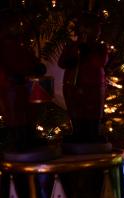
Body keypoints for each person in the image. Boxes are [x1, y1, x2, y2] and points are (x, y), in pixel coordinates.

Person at [0, 10, 47, 155]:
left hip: (25, 85)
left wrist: (37, 67)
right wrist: (10, 76)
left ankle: (29, 137)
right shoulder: (3, 47)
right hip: (11, 87)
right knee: (15, 113)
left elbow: (30, 59)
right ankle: (18, 140)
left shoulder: (21, 46)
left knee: (28, 111)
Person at [58, 13, 108, 145]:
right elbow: (62, 62)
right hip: (73, 85)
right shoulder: (71, 46)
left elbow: (100, 62)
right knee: (76, 109)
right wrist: (71, 60)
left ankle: (94, 133)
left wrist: (89, 53)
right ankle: (78, 133)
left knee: (94, 111)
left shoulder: (99, 47)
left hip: (94, 86)